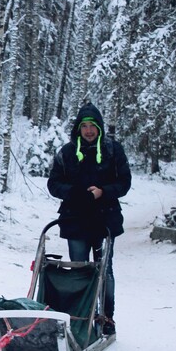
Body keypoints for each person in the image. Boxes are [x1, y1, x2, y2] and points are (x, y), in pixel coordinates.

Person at [47, 102, 131, 335]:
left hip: (105, 220)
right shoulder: (66, 153)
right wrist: (73, 192)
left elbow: (124, 182)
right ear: (78, 128)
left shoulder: (113, 151)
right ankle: (82, 316)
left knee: (105, 271)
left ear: (99, 127)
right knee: (80, 270)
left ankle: (106, 317)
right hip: (75, 220)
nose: (88, 130)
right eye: (84, 126)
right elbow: (53, 184)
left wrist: (103, 191)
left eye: (92, 125)